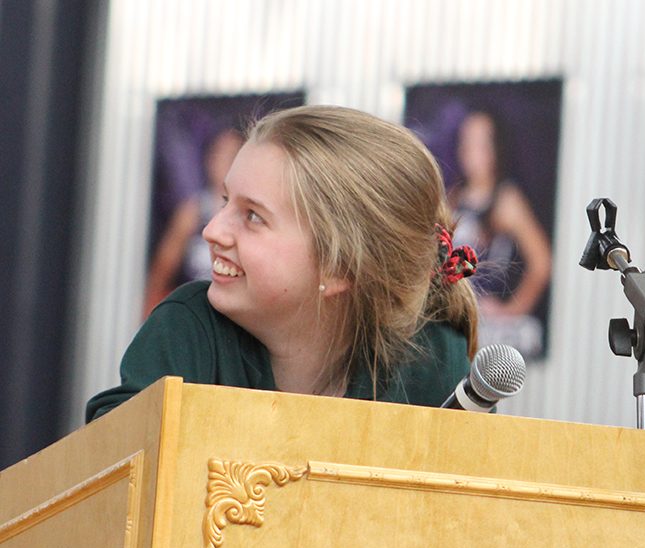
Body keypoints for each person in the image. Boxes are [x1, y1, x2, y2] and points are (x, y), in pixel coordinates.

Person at [86, 106, 480, 422]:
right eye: (226, 202)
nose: (212, 230)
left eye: (253, 216)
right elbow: (113, 481)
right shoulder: (185, 330)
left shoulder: (433, 357)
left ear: (339, 268)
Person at [448, 110, 552, 356]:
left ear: (496, 147)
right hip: (454, 314)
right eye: (467, 142)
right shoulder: (453, 197)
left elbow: (542, 263)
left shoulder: (506, 200)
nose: (472, 152)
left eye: (481, 144)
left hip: (488, 322)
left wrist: (512, 310)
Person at [143, 128, 244, 316]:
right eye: (217, 154)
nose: (222, 162)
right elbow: (162, 270)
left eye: (232, 155)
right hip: (195, 316)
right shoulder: (193, 211)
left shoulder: (250, 216)